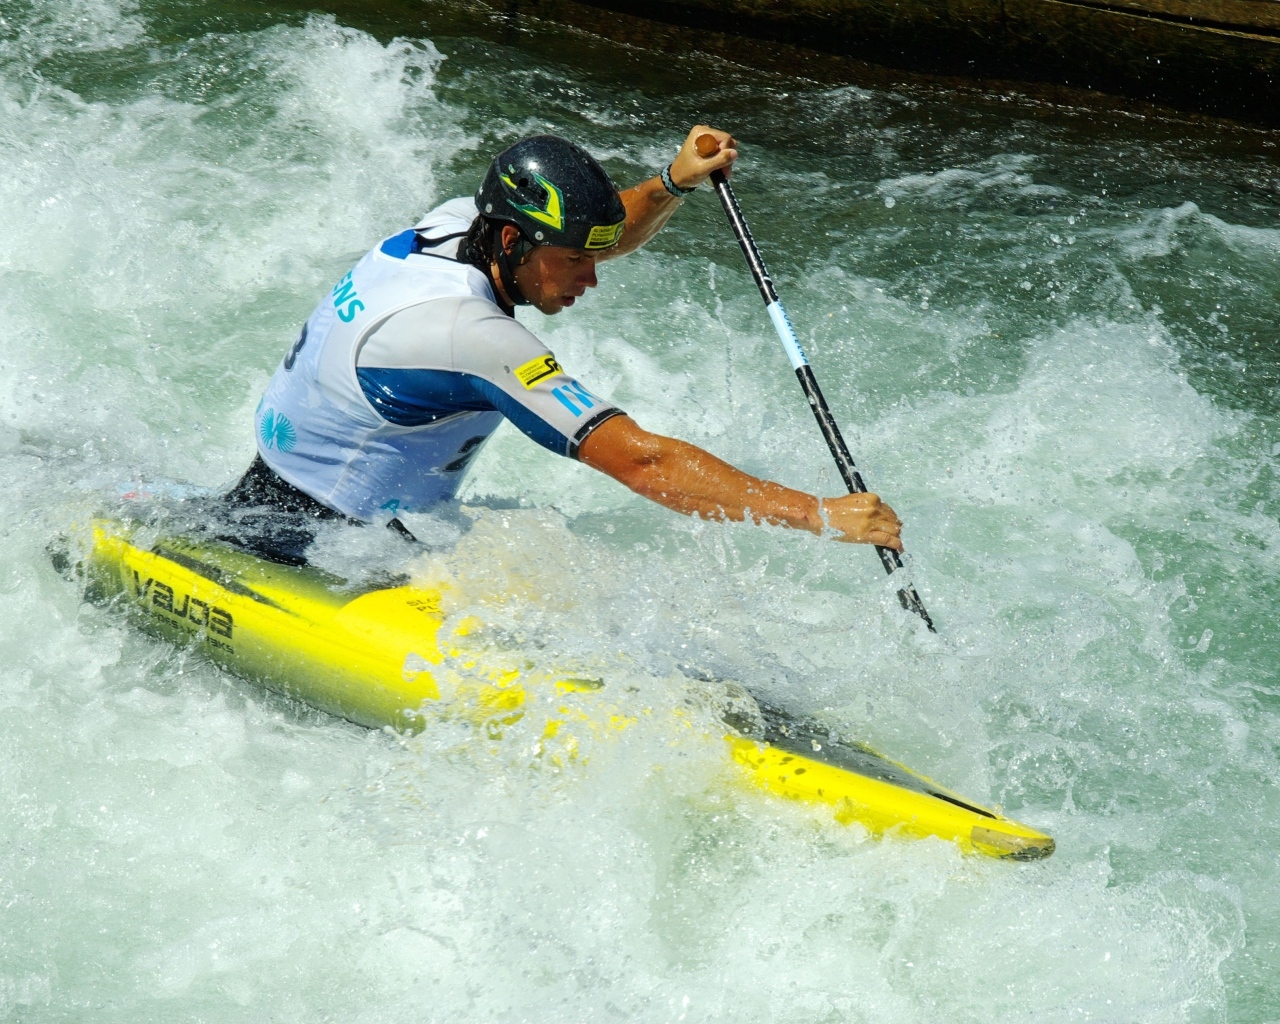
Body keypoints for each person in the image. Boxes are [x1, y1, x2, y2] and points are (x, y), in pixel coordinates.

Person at [223, 126, 903, 563]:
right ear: (514, 242)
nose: (594, 278)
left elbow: (601, 230)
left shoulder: (458, 222)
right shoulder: (474, 337)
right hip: (321, 550)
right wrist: (817, 514)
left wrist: (671, 182)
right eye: (576, 260)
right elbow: (643, 463)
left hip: (281, 492)